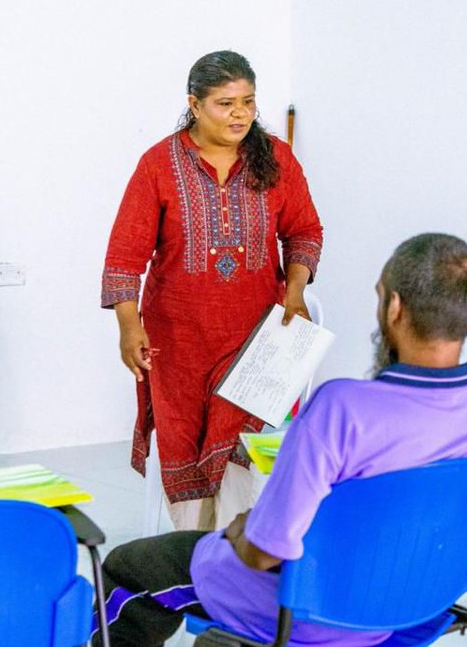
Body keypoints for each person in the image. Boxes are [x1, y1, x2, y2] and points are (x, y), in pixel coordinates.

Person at [93, 233, 467, 647]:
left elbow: (265, 553)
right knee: (306, 550)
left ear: (394, 307)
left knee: (127, 571)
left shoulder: (342, 408)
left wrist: (242, 530)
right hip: (417, 607)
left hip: (316, 614)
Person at [101, 50, 324, 532]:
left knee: (240, 441)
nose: (240, 114)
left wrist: (295, 291)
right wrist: (128, 325)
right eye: (226, 103)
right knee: (184, 438)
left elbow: (305, 231)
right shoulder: (159, 165)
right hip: (177, 340)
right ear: (194, 105)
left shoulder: (276, 159)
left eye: (248, 102)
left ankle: (235, 547)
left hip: (256, 335)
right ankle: (196, 547)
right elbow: (124, 254)